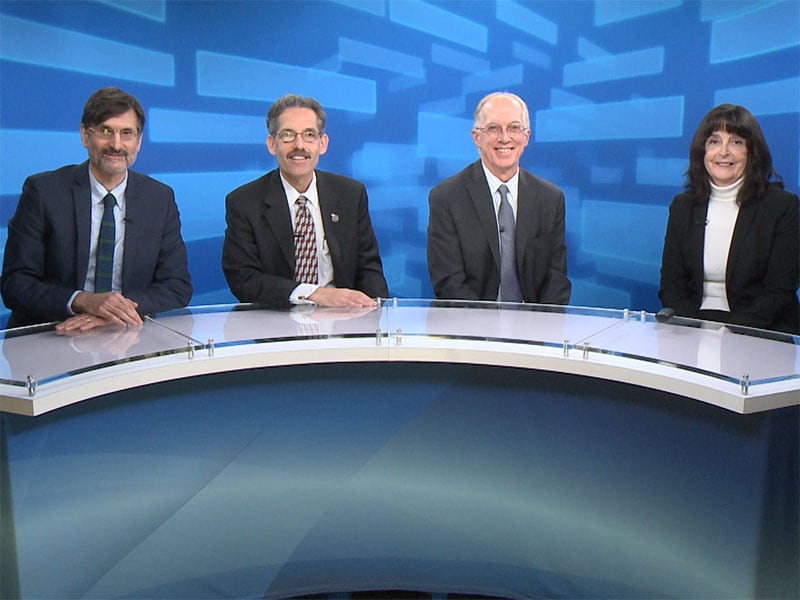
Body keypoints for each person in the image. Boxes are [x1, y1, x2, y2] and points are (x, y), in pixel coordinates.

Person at [1, 87, 192, 331]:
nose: (116, 144)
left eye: (126, 133)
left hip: (125, 336)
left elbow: (177, 286)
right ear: (84, 135)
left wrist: (114, 312)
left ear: (139, 141)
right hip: (53, 334)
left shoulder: (159, 198)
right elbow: (15, 283)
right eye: (105, 131)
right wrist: (83, 301)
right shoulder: (43, 192)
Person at [222, 93, 388, 307]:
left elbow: (369, 269)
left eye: (309, 135)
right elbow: (243, 280)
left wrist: (374, 314)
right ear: (272, 144)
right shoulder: (244, 202)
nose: (299, 145)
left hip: (344, 322)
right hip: (276, 321)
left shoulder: (350, 194)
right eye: (288, 135)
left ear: (323, 143)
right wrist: (314, 294)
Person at [659, 104, 799, 334]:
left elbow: (779, 292)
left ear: (751, 152)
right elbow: (671, 285)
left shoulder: (781, 206)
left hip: (761, 329)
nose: (723, 152)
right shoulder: (682, 206)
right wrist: (693, 329)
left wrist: (731, 333)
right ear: (702, 151)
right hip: (694, 324)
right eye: (714, 141)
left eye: (736, 142)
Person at [426, 91, 571, 304]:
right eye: (493, 128)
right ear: (477, 137)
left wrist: (539, 329)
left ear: (526, 137)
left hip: (534, 329)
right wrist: (491, 331)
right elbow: (448, 282)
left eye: (514, 128)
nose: (504, 138)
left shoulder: (550, 199)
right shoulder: (447, 198)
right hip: (471, 328)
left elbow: (556, 280)